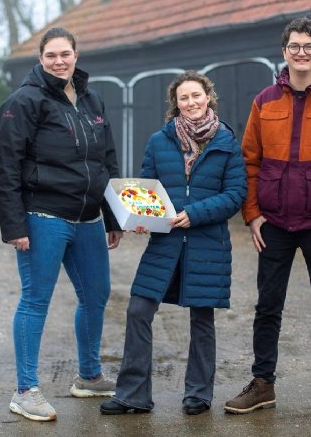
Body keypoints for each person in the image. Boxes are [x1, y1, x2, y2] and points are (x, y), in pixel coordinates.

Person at [224, 17, 311, 420]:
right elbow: (248, 162)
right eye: (294, 46)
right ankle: (263, 384)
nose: (301, 53)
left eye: (308, 46)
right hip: (273, 223)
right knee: (267, 306)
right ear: (284, 51)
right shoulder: (264, 101)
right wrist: (252, 215)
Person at [0, 27, 123, 422]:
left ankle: (88, 375)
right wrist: (15, 226)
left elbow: (107, 160)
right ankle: (25, 390)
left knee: (97, 295)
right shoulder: (24, 101)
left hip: (87, 219)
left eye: (65, 53)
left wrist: (114, 215)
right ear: (40, 58)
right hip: (42, 218)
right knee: (36, 300)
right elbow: (6, 167)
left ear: (76, 55)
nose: (59, 61)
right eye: (51, 55)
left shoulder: (91, 98)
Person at [99, 71, 247, 417]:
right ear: (175, 104)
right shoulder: (159, 141)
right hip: (165, 244)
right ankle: (132, 394)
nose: (191, 102)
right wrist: (138, 216)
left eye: (197, 95)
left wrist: (194, 213)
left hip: (207, 243)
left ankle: (198, 393)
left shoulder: (226, 142)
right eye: (184, 98)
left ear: (208, 97)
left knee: (202, 318)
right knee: (138, 310)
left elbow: (236, 195)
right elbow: (146, 190)